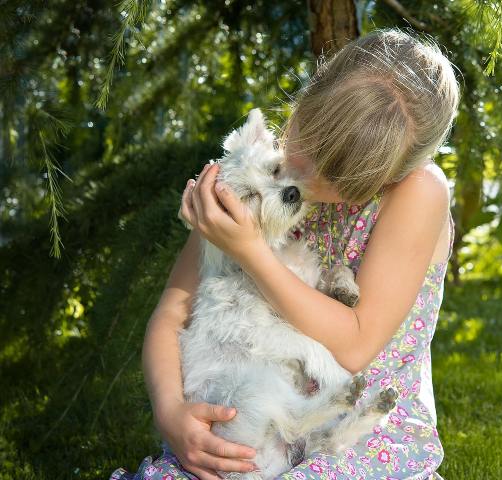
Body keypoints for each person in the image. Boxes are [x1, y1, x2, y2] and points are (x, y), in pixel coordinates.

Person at [110, 27, 460, 480]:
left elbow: (354, 344)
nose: (301, 174)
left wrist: (250, 251)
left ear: (389, 176)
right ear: (310, 97)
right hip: (252, 425)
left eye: (336, 176)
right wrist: (171, 412)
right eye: (305, 141)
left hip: (360, 438)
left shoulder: (418, 194)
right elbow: (173, 312)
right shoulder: (257, 173)